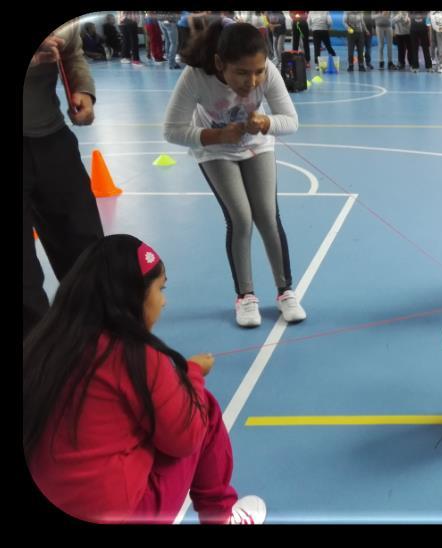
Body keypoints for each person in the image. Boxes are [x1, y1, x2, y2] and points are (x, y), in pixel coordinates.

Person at [24, 235, 267, 524]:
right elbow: (185, 437)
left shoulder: (44, 342)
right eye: (160, 289)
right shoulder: (135, 356)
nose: (163, 302)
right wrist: (191, 376)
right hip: (118, 511)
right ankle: (222, 516)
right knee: (203, 408)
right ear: (134, 297)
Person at [163, 21, 307, 327]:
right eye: (242, 73)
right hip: (215, 150)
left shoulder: (266, 69)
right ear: (219, 63)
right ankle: (245, 296)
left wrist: (267, 123)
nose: (252, 81)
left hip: (256, 145)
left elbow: (291, 121)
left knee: (267, 216)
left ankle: (285, 292)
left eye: (257, 72)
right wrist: (216, 137)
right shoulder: (196, 77)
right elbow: (172, 130)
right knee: (241, 218)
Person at [24, 20, 104, 338]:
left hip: (52, 137)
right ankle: (38, 363)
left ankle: (99, 338)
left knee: (85, 245)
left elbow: (72, 52)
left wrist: (83, 89)